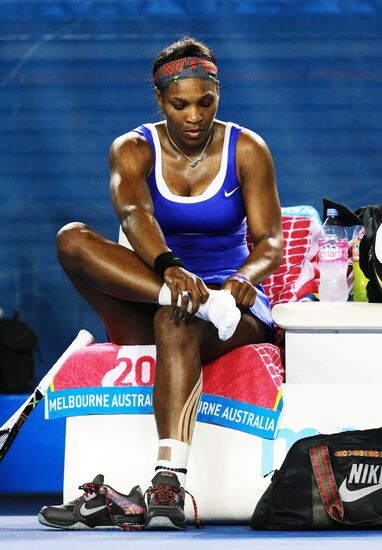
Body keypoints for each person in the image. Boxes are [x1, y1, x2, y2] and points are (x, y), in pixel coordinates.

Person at [38, 36, 283, 531]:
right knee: (71, 240)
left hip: (228, 308)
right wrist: (171, 270)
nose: (194, 116)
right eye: (180, 105)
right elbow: (132, 212)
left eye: (204, 102)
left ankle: (167, 480)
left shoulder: (248, 148)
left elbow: (271, 242)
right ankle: (179, 298)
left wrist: (241, 279)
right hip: (160, 288)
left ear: (218, 94)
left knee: (177, 324)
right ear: (159, 100)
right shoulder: (131, 148)